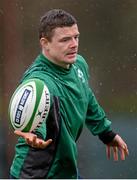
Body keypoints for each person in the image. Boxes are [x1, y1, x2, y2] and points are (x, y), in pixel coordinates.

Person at [9, 9, 129, 179]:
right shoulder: (39, 81)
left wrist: (106, 133)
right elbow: (32, 110)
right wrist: (34, 134)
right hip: (37, 174)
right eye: (65, 39)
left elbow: (86, 97)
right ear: (45, 43)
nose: (74, 44)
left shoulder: (79, 64)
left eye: (76, 37)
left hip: (66, 171)